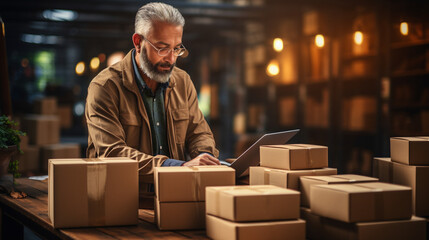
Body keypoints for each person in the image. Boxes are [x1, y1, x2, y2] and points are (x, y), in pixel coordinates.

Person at [85, 2, 220, 208]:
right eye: (162, 48)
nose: (171, 58)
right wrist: (179, 166)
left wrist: (205, 157)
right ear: (138, 42)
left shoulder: (182, 82)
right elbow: (112, 153)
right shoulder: (104, 87)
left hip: (174, 198)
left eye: (177, 48)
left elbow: (199, 132)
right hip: (120, 202)